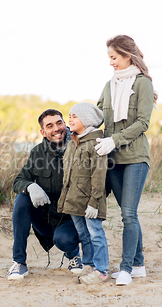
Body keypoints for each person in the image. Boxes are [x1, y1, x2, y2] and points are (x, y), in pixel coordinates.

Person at [95, 34, 156, 285]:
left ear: (127, 55)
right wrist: (73, 126)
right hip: (112, 159)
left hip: (135, 157)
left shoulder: (142, 83)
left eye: (114, 57)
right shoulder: (110, 85)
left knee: (128, 214)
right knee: (127, 212)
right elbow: (97, 115)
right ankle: (139, 263)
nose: (111, 62)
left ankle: (127, 269)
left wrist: (115, 139)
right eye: (109, 57)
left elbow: (143, 123)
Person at [7, 109, 94, 280]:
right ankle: (19, 263)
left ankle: (74, 255)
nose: (56, 128)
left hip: (70, 220)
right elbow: (18, 181)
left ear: (65, 124)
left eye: (59, 123)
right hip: (45, 218)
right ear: (43, 132)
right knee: (22, 199)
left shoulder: (80, 147)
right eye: (50, 126)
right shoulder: (38, 152)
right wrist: (31, 187)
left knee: (64, 240)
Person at [58, 103, 109, 285]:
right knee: (83, 234)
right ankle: (90, 265)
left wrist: (94, 202)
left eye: (74, 116)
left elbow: (98, 174)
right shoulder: (73, 143)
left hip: (89, 202)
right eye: (69, 116)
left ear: (86, 121)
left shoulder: (95, 144)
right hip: (74, 201)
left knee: (95, 233)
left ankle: (101, 270)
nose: (69, 120)